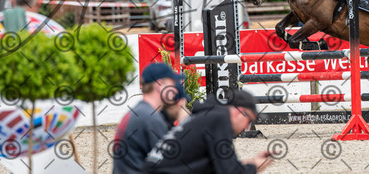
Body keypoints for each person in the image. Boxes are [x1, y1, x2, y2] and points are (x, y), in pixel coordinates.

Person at [145, 90, 273, 173]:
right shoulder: (220, 119)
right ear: (238, 112)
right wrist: (254, 167)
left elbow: (218, 165)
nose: (247, 127)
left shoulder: (205, 116)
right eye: (249, 120)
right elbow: (229, 172)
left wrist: (251, 162)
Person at [112, 63, 189, 174]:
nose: (175, 90)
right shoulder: (151, 119)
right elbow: (171, 164)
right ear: (160, 84)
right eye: (172, 83)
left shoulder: (138, 111)